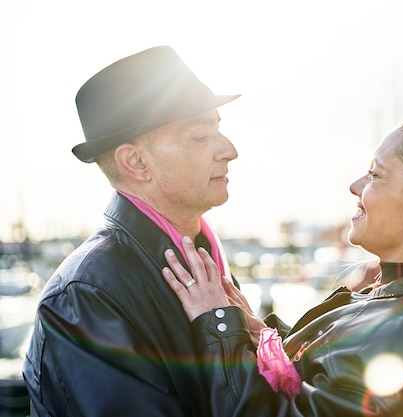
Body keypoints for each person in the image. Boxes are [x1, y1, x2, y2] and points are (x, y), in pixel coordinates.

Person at [161, 114, 403, 417]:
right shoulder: (399, 307)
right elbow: (326, 377)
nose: (355, 186)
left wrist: (219, 331)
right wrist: (257, 334)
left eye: (375, 175)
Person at [23, 45, 242, 416]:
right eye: (200, 137)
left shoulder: (199, 260)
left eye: (218, 129)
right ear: (137, 162)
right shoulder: (87, 293)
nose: (230, 150)